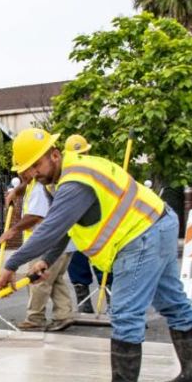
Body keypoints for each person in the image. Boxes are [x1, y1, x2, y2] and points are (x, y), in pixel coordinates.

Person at [0, 128, 192, 382]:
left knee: (125, 312)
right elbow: (65, 229)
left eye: (36, 165)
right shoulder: (64, 178)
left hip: (141, 234)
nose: (33, 173)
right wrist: (46, 260)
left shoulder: (74, 182)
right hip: (157, 224)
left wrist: (11, 264)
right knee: (172, 302)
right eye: (28, 169)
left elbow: (50, 228)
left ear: (54, 154)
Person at [0, 177, 75, 331]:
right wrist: (15, 191)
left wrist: (13, 230)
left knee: (38, 281)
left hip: (46, 246)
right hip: (64, 244)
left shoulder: (40, 187)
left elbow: (35, 215)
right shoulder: (38, 183)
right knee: (55, 280)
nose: (21, 173)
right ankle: (63, 315)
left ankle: (35, 318)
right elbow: (25, 184)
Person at [60, 134, 109, 314]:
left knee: (104, 267)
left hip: (98, 230)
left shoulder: (97, 171)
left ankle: (112, 302)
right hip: (78, 232)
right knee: (78, 267)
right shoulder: (67, 176)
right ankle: (84, 302)